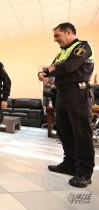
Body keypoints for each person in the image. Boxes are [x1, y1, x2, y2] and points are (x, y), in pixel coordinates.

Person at [38, 22, 95, 188]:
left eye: (57, 36)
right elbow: (50, 69)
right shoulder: (61, 53)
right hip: (62, 94)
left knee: (81, 133)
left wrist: (53, 70)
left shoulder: (83, 46)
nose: (55, 40)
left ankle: (84, 170)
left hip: (78, 93)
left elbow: (69, 67)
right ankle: (69, 163)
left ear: (68, 32)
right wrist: (43, 72)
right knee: (64, 131)